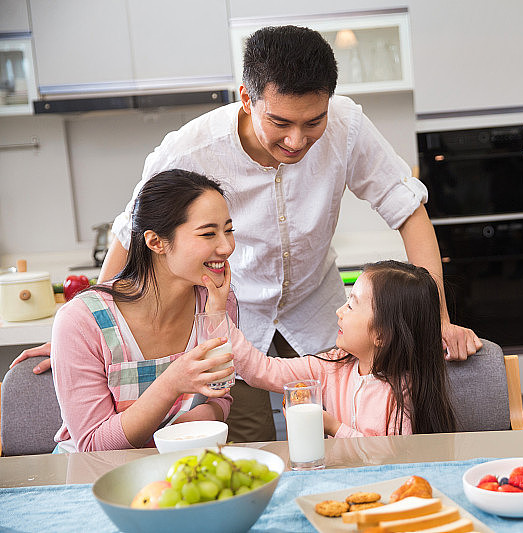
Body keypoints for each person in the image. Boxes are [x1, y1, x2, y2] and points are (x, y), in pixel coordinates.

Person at [12, 25, 480, 443]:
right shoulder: (192, 148)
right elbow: (131, 232)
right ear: (246, 98)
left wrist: (438, 318)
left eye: (313, 122)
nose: (296, 140)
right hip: (233, 316)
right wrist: (87, 332)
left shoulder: (348, 126)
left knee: (340, 434)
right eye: (280, 122)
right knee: (249, 440)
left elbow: (408, 212)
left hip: (318, 312)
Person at [48, 170, 237, 452]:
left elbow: (220, 394)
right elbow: (93, 447)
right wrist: (171, 383)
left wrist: (198, 419)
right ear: (156, 242)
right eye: (209, 233)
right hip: (92, 472)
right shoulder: (81, 320)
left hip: (175, 463)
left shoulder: (217, 301)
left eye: (229, 230)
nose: (227, 246)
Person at [202, 259, 457, 437]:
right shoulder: (332, 366)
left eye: (351, 305)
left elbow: (389, 456)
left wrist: (333, 427)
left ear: (381, 334)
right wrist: (217, 313)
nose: (339, 311)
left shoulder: (405, 392)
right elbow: (262, 370)